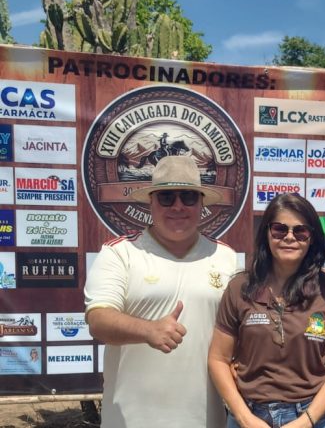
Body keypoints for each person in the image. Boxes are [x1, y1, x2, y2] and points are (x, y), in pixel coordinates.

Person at [84, 155, 237, 428]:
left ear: (201, 203)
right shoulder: (119, 253)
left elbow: (241, 331)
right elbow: (98, 320)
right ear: (151, 202)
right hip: (130, 421)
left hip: (206, 420)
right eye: (166, 197)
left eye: (188, 197)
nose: (178, 206)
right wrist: (148, 330)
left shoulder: (226, 257)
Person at [208, 193, 325, 428]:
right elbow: (218, 359)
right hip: (249, 416)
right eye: (279, 229)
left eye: (300, 231)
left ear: (312, 238)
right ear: (267, 233)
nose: (290, 237)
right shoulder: (239, 288)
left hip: (312, 417)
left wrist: (306, 421)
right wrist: (244, 418)